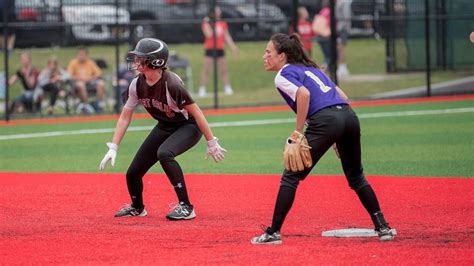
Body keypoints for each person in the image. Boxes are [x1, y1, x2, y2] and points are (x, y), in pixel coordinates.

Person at [251, 33, 394, 244]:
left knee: (291, 176)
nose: (265, 56)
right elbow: (343, 98)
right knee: (356, 177)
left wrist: (298, 133)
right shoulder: (313, 70)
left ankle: (273, 233)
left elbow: (304, 95)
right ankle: (383, 227)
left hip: (327, 120)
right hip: (349, 117)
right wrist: (338, 137)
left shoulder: (283, 74)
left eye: (268, 52)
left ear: (282, 56)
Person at [99, 38, 227, 219]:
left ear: (155, 61)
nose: (136, 61)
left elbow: (197, 114)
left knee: (164, 153)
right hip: (165, 126)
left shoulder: (171, 85)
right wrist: (113, 147)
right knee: (133, 172)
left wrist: (211, 142)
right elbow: (125, 116)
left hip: (188, 126)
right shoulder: (137, 83)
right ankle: (137, 207)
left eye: (141, 58)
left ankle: (186, 206)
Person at [198, 5, 238, 98]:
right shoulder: (206, 23)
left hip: (220, 49)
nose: (219, 12)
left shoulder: (222, 23)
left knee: (223, 70)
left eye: (219, 11)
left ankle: (227, 87)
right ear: (212, 13)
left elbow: (227, 36)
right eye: (217, 11)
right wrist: (210, 24)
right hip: (210, 49)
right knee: (206, 70)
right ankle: (202, 89)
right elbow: (208, 34)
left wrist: (233, 47)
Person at [67, 47, 106, 113]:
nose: (81, 56)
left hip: (90, 83)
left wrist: (90, 78)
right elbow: (69, 75)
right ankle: (86, 106)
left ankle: (99, 105)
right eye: (80, 54)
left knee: (101, 83)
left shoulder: (90, 62)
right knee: (81, 85)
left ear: (86, 55)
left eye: (83, 54)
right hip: (77, 85)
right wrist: (80, 78)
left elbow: (99, 73)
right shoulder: (73, 63)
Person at [312, 0, 332, 71]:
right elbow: (328, 23)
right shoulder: (329, 11)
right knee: (329, 55)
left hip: (319, 35)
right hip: (325, 36)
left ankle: (329, 68)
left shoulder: (322, 11)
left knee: (326, 54)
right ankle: (324, 68)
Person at [335, 0, 351, 76]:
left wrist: (339, 28)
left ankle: (342, 67)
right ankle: (341, 66)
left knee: (341, 48)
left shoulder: (344, 2)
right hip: (339, 29)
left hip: (343, 29)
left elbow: (346, 17)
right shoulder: (337, 2)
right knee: (339, 48)